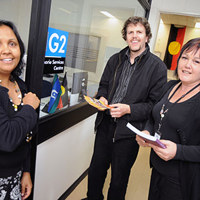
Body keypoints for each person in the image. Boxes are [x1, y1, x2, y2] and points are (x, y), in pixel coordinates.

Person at [83, 16, 167, 200]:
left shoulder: (157, 67)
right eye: (130, 32)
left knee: (119, 179)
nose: (134, 36)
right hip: (105, 125)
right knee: (96, 171)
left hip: (128, 132)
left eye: (139, 32)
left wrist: (128, 109)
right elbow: (104, 85)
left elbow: (154, 106)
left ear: (147, 37)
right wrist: (102, 97)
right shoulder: (115, 59)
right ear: (126, 36)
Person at [136, 37, 200, 200]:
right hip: (157, 168)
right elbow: (155, 116)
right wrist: (146, 131)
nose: (187, 65)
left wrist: (178, 151)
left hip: (181, 179)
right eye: (185, 58)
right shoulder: (169, 86)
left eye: (197, 61)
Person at [0, 20, 40, 199]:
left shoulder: (21, 86)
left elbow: (26, 136)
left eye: (12, 43)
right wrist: (30, 107)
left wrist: (26, 171)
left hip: (15, 178)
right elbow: (7, 138)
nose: (6, 50)